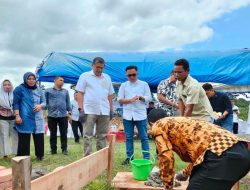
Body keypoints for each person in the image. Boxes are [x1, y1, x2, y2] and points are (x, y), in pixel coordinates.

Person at [147, 109, 250, 190]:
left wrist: (168, 186)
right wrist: (185, 173)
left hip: (221, 153)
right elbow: (202, 153)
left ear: (151, 123)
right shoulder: (183, 122)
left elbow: (166, 157)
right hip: (243, 152)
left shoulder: (158, 125)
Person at [76, 57, 114, 156]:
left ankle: (101, 157)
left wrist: (111, 109)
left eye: (102, 67)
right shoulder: (84, 76)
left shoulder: (107, 77)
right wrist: (81, 109)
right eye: (97, 67)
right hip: (89, 110)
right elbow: (80, 93)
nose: (99, 70)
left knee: (102, 135)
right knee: (88, 135)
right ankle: (87, 157)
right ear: (92, 65)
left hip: (104, 110)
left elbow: (110, 95)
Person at [118, 65, 151, 165]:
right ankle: (130, 158)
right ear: (126, 75)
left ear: (137, 74)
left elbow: (149, 97)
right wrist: (130, 100)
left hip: (140, 115)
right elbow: (120, 99)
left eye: (134, 75)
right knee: (128, 137)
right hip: (128, 115)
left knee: (144, 137)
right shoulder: (123, 85)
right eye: (129, 75)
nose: (132, 77)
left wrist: (142, 98)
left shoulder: (144, 84)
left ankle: (146, 158)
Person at [13, 72, 46, 160]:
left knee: (39, 135)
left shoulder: (39, 89)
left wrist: (40, 106)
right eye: (29, 79)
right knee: (24, 136)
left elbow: (44, 102)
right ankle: (23, 156)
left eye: (33, 79)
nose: (31, 81)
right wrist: (17, 115)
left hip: (37, 117)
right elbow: (15, 103)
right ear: (25, 79)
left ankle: (40, 155)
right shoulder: (19, 89)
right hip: (25, 116)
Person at [45, 76, 72, 155]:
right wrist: (43, 114)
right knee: (52, 134)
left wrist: (69, 113)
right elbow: (45, 103)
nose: (62, 82)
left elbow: (68, 103)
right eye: (60, 80)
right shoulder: (48, 91)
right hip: (51, 115)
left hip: (63, 115)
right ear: (55, 81)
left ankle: (64, 150)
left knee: (64, 133)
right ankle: (53, 150)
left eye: (63, 80)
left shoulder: (65, 91)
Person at [0, 79, 18, 159]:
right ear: (2, 86)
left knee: (15, 135)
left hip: (14, 118)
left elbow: (17, 105)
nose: (7, 86)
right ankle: (5, 154)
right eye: (5, 85)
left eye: (8, 84)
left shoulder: (15, 94)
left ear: (11, 86)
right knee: (4, 135)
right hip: (2, 118)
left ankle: (16, 153)